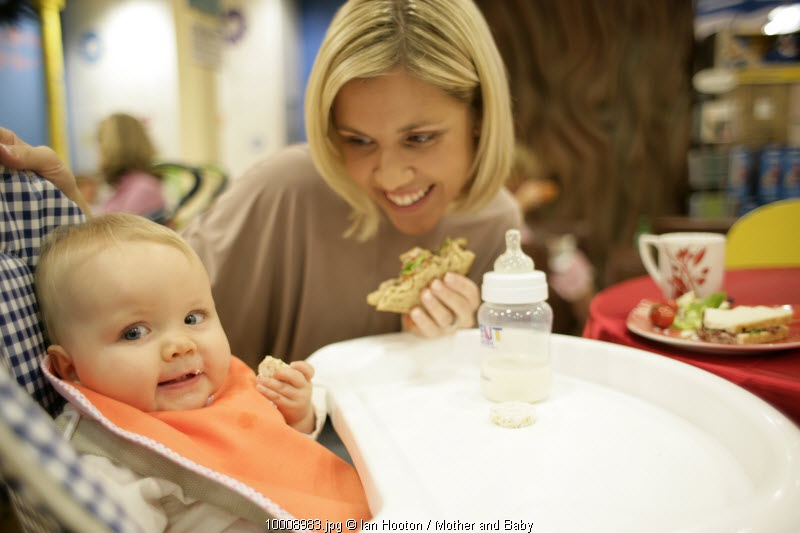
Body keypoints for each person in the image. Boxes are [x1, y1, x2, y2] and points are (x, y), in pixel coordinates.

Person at [1, 0, 523, 370]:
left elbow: (505, 382)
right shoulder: (285, 190)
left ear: (480, 117)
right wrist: (67, 216)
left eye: (420, 138)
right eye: (358, 140)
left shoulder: (497, 224)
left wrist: (461, 346)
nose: (388, 176)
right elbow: (125, 311)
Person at [34, 213, 371, 531]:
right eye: (135, 332)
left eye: (192, 318)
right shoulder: (109, 460)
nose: (180, 345)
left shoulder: (218, 389)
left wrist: (295, 418)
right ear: (71, 367)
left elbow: (274, 460)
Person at [95, 112, 167, 221]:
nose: (98, 153)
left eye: (100, 144)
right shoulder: (125, 187)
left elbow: (116, 235)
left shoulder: (142, 189)